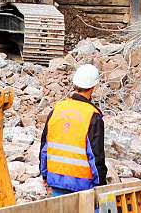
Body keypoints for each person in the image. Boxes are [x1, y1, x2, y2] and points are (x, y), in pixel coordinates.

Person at [39, 64, 107, 196]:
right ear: (93, 88)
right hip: (83, 185)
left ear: (75, 84)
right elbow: (96, 155)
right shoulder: (92, 115)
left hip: (56, 180)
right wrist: (100, 184)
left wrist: (45, 175)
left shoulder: (57, 109)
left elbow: (44, 147)